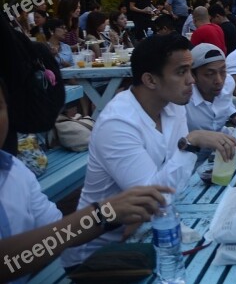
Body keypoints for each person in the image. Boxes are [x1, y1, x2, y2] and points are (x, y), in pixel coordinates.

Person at [61, 34, 236, 267]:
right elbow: (155, 198)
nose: (191, 81)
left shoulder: (172, 106)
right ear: (150, 80)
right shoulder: (118, 124)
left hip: (151, 229)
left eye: (190, 71)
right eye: (181, 72)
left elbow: (173, 185)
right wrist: (192, 142)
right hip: (100, 256)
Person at [0, 83, 172, 282]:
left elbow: (58, 237)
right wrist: (101, 214)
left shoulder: (15, 171)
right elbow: (9, 263)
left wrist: (112, 213)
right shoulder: (117, 120)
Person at [186, 43, 236, 133]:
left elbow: (225, 102)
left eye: (223, 71)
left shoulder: (228, 83)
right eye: (210, 74)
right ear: (193, 76)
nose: (219, 81)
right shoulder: (184, 100)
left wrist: (234, 115)